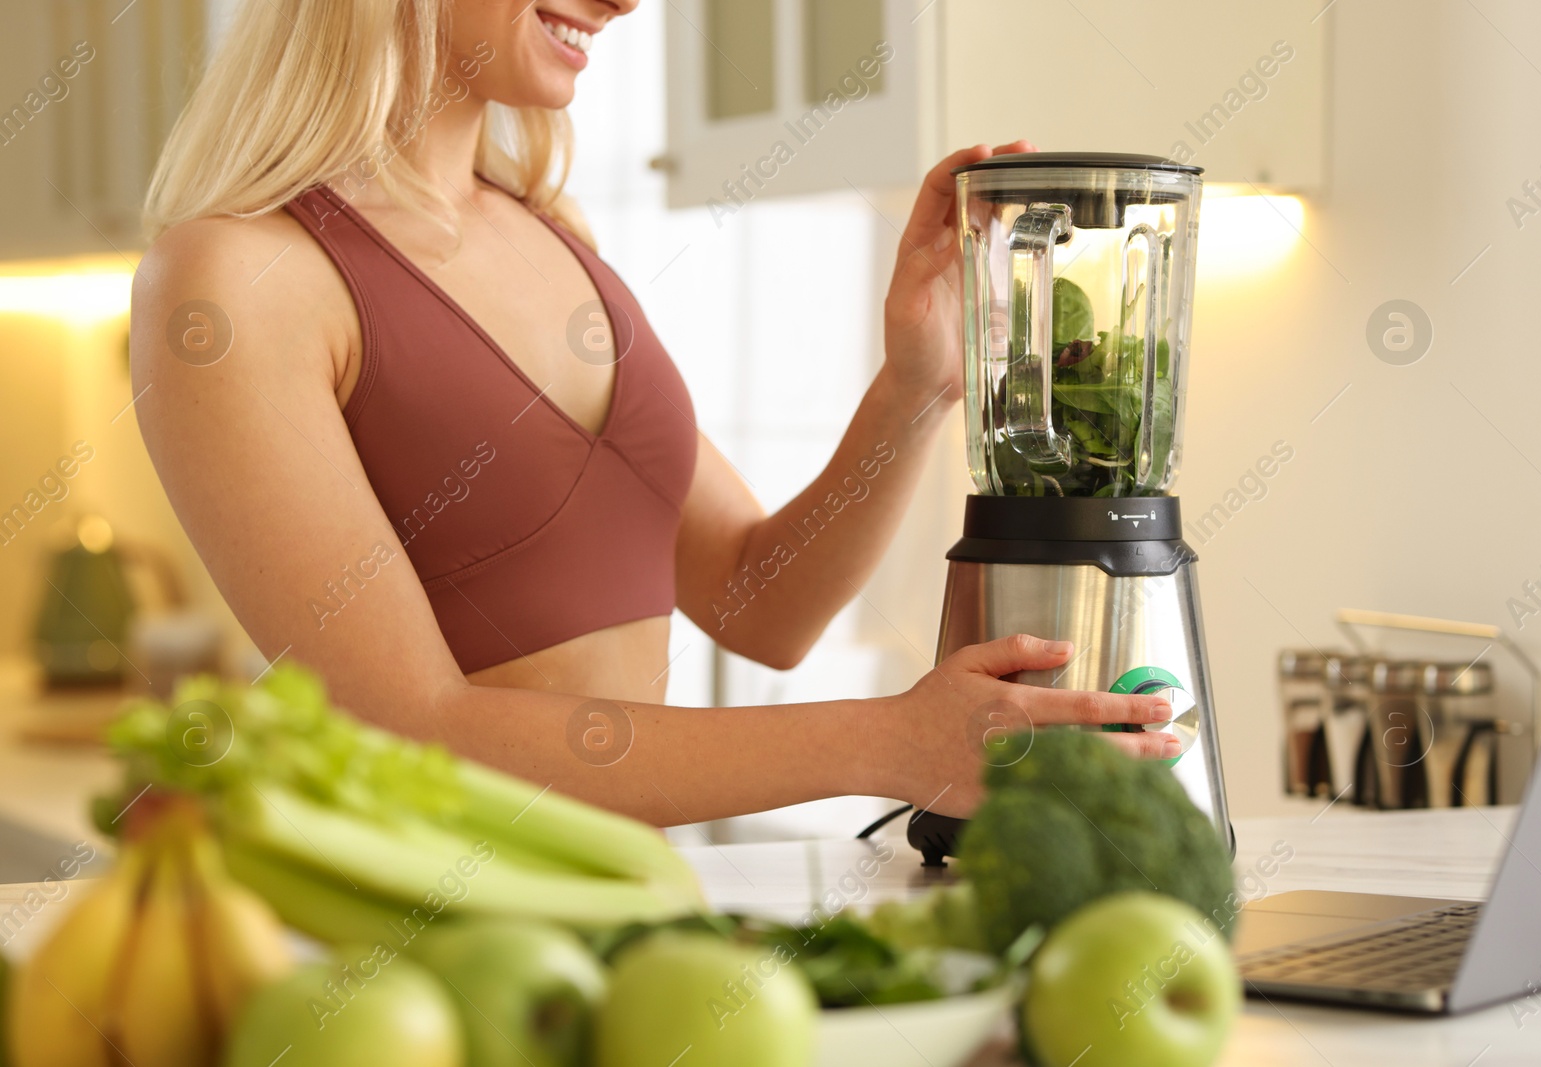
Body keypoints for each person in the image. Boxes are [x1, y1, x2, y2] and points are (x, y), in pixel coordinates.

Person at [129, 0, 1177, 827]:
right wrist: (889, 743)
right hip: (416, 961)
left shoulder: (552, 235)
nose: (626, 2)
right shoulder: (236, 277)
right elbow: (410, 729)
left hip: (623, 924)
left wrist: (916, 385)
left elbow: (759, 603)